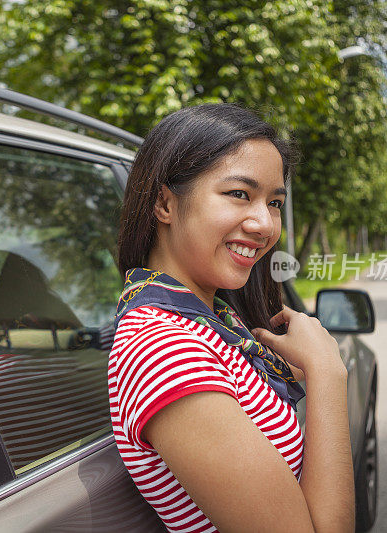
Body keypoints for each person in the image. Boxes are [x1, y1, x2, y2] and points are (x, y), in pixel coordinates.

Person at [108, 103, 354, 532]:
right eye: (239, 194)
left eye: (274, 202)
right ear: (164, 203)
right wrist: (327, 371)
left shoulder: (217, 323)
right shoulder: (164, 350)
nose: (264, 223)